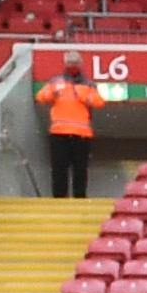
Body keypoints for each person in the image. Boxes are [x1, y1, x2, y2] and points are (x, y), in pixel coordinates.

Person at [36, 57, 102, 200]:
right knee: (59, 169)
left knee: (80, 170)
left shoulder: (89, 85)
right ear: (65, 64)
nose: (73, 65)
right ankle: (59, 199)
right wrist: (51, 94)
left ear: (81, 64)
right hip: (59, 134)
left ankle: (79, 198)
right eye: (70, 62)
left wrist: (84, 96)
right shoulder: (55, 83)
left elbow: (99, 102)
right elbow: (41, 97)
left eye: (76, 63)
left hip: (81, 134)